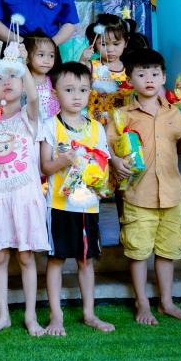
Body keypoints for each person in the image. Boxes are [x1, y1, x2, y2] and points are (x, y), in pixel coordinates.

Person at [106, 48, 181, 325]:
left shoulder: (177, 114)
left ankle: (166, 302)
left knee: (167, 251)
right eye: (141, 74)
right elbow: (106, 146)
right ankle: (142, 302)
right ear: (130, 78)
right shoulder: (121, 115)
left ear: (164, 77)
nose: (149, 79)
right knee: (138, 251)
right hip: (138, 194)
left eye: (155, 74)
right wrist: (115, 161)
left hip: (171, 193)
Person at [0, 60, 48, 336]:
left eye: (13, 77)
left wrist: (20, 63)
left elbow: (35, 95)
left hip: (24, 197)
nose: (7, 81)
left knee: (26, 258)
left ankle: (30, 316)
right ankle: (3, 315)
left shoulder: (30, 114)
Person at [40, 61, 114, 335]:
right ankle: (56, 316)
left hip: (89, 206)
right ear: (55, 92)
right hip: (59, 205)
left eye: (83, 90)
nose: (76, 96)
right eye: (69, 89)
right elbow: (45, 167)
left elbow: (103, 165)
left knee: (86, 260)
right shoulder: (50, 125)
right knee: (57, 259)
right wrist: (65, 160)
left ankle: (89, 314)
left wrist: (100, 182)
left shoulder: (96, 128)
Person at [80, 13, 130, 126]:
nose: (110, 49)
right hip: (96, 126)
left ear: (125, 43)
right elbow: (77, 80)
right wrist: (82, 60)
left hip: (122, 126)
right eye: (103, 44)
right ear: (95, 44)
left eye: (116, 44)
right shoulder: (91, 66)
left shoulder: (130, 69)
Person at [24, 32, 60, 121]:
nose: (47, 60)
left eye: (51, 56)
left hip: (53, 128)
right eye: (41, 55)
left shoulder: (54, 81)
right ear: (27, 57)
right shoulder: (22, 82)